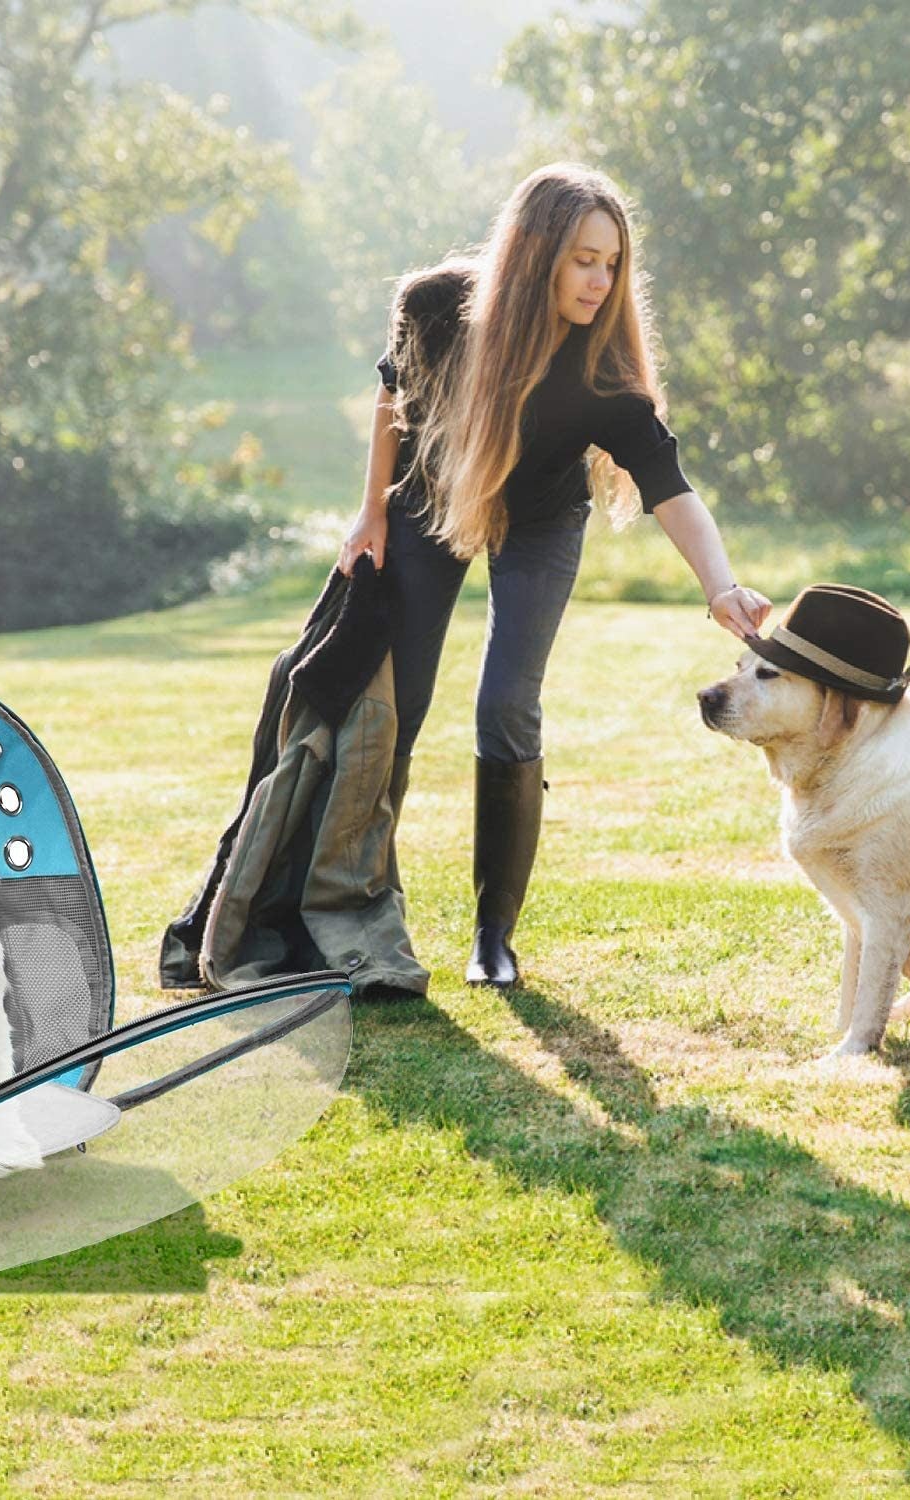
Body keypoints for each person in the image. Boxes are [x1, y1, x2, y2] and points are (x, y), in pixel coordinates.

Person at [336, 162, 772, 988]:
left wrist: (721, 587)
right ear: (537, 254)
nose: (600, 281)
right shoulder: (438, 307)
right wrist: (370, 510)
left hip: (541, 520)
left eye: (612, 263)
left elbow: (672, 491)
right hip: (434, 500)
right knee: (400, 704)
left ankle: (493, 936)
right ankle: (364, 912)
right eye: (584, 259)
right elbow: (393, 397)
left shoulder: (604, 377)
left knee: (506, 702)